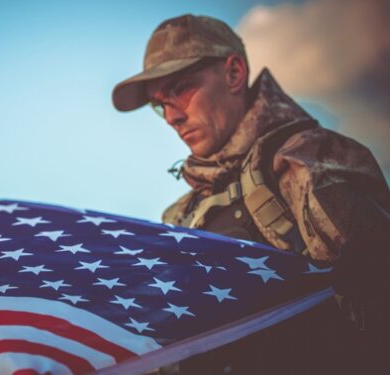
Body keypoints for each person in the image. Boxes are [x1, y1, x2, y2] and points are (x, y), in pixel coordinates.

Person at [112, 14, 390, 374]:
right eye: (159, 103)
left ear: (234, 74)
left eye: (180, 88)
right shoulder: (180, 218)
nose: (170, 117)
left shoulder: (304, 161)